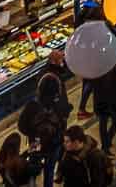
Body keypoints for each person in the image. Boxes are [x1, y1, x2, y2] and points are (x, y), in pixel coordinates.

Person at [18, 53, 70, 187]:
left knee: (33, 167)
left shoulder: (32, 105)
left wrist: (32, 134)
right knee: (49, 168)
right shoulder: (58, 105)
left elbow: (21, 125)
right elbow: (63, 120)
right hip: (53, 143)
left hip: (36, 142)